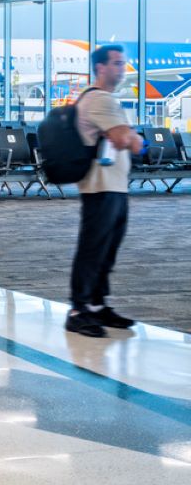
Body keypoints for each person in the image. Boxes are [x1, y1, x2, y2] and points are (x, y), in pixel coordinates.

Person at [66, 43, 145, 338]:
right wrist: (135, 138)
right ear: (100, 67)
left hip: (113, 185)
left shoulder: (104, 100)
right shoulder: (100, 101)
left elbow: (124, 137)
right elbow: (126, 140)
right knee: (93, 248)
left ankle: (97, 305)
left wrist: (130, 136)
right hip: (101, 187)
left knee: (106, 249)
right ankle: (78, 310)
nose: (122, 69)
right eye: (117, 63)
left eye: (122, 63)